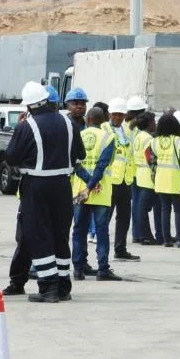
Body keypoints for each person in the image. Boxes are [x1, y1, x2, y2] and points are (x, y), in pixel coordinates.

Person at [5, 82, 86, 303]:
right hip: (62, 184)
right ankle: (62, 287)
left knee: (39, 236)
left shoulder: (26, 126)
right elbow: (80, 156)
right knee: (60, 236)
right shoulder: (69, 123)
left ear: (29, 106)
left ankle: (48, 288)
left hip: (36, 185)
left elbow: (11, 157)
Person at [71, 107, 122, 281]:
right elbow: (102, 165)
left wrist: (86, 184)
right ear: (104, 120)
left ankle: (78, 269)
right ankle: (102, 269)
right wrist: (92, 185)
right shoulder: (109, 137)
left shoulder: (78, 135)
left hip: (79, 190)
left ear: (87, 119)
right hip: (101, 191)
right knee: (101, 231)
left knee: (79, 229)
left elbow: (75, 164)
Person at [102, 97, 140, 262]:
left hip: (125, 179)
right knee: (105, 217)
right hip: (110, 180)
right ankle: (102, 252)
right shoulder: (104, 128)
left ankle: (120, 249)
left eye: (121, 115)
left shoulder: (127, 130)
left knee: (124, 217)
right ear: (110, 114)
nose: (118, 117)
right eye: (115, 114)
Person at [152, 114, 180, 248]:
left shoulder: (154, 141)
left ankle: (167, 239)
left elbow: (152, 164)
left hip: (160, 180)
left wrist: (155, 179)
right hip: (176, 181)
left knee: (165, 210)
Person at [132, 112, 162, 244]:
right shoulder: (148, 139)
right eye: (153, 121)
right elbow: (149, 158)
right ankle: (146, 236)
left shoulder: (138, 136)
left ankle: (141, 235)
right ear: (148, 123)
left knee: (140, 206)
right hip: (148, 175)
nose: (155, 123)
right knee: (143, 208)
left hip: (139, 173)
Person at [125, 95, 148, 242]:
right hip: (137, 169)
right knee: (139, 205)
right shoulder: (139, 129)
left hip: (128, 170)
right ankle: (138, 234)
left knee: (135, 205)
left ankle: (136, 233)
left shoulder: (125, 126)